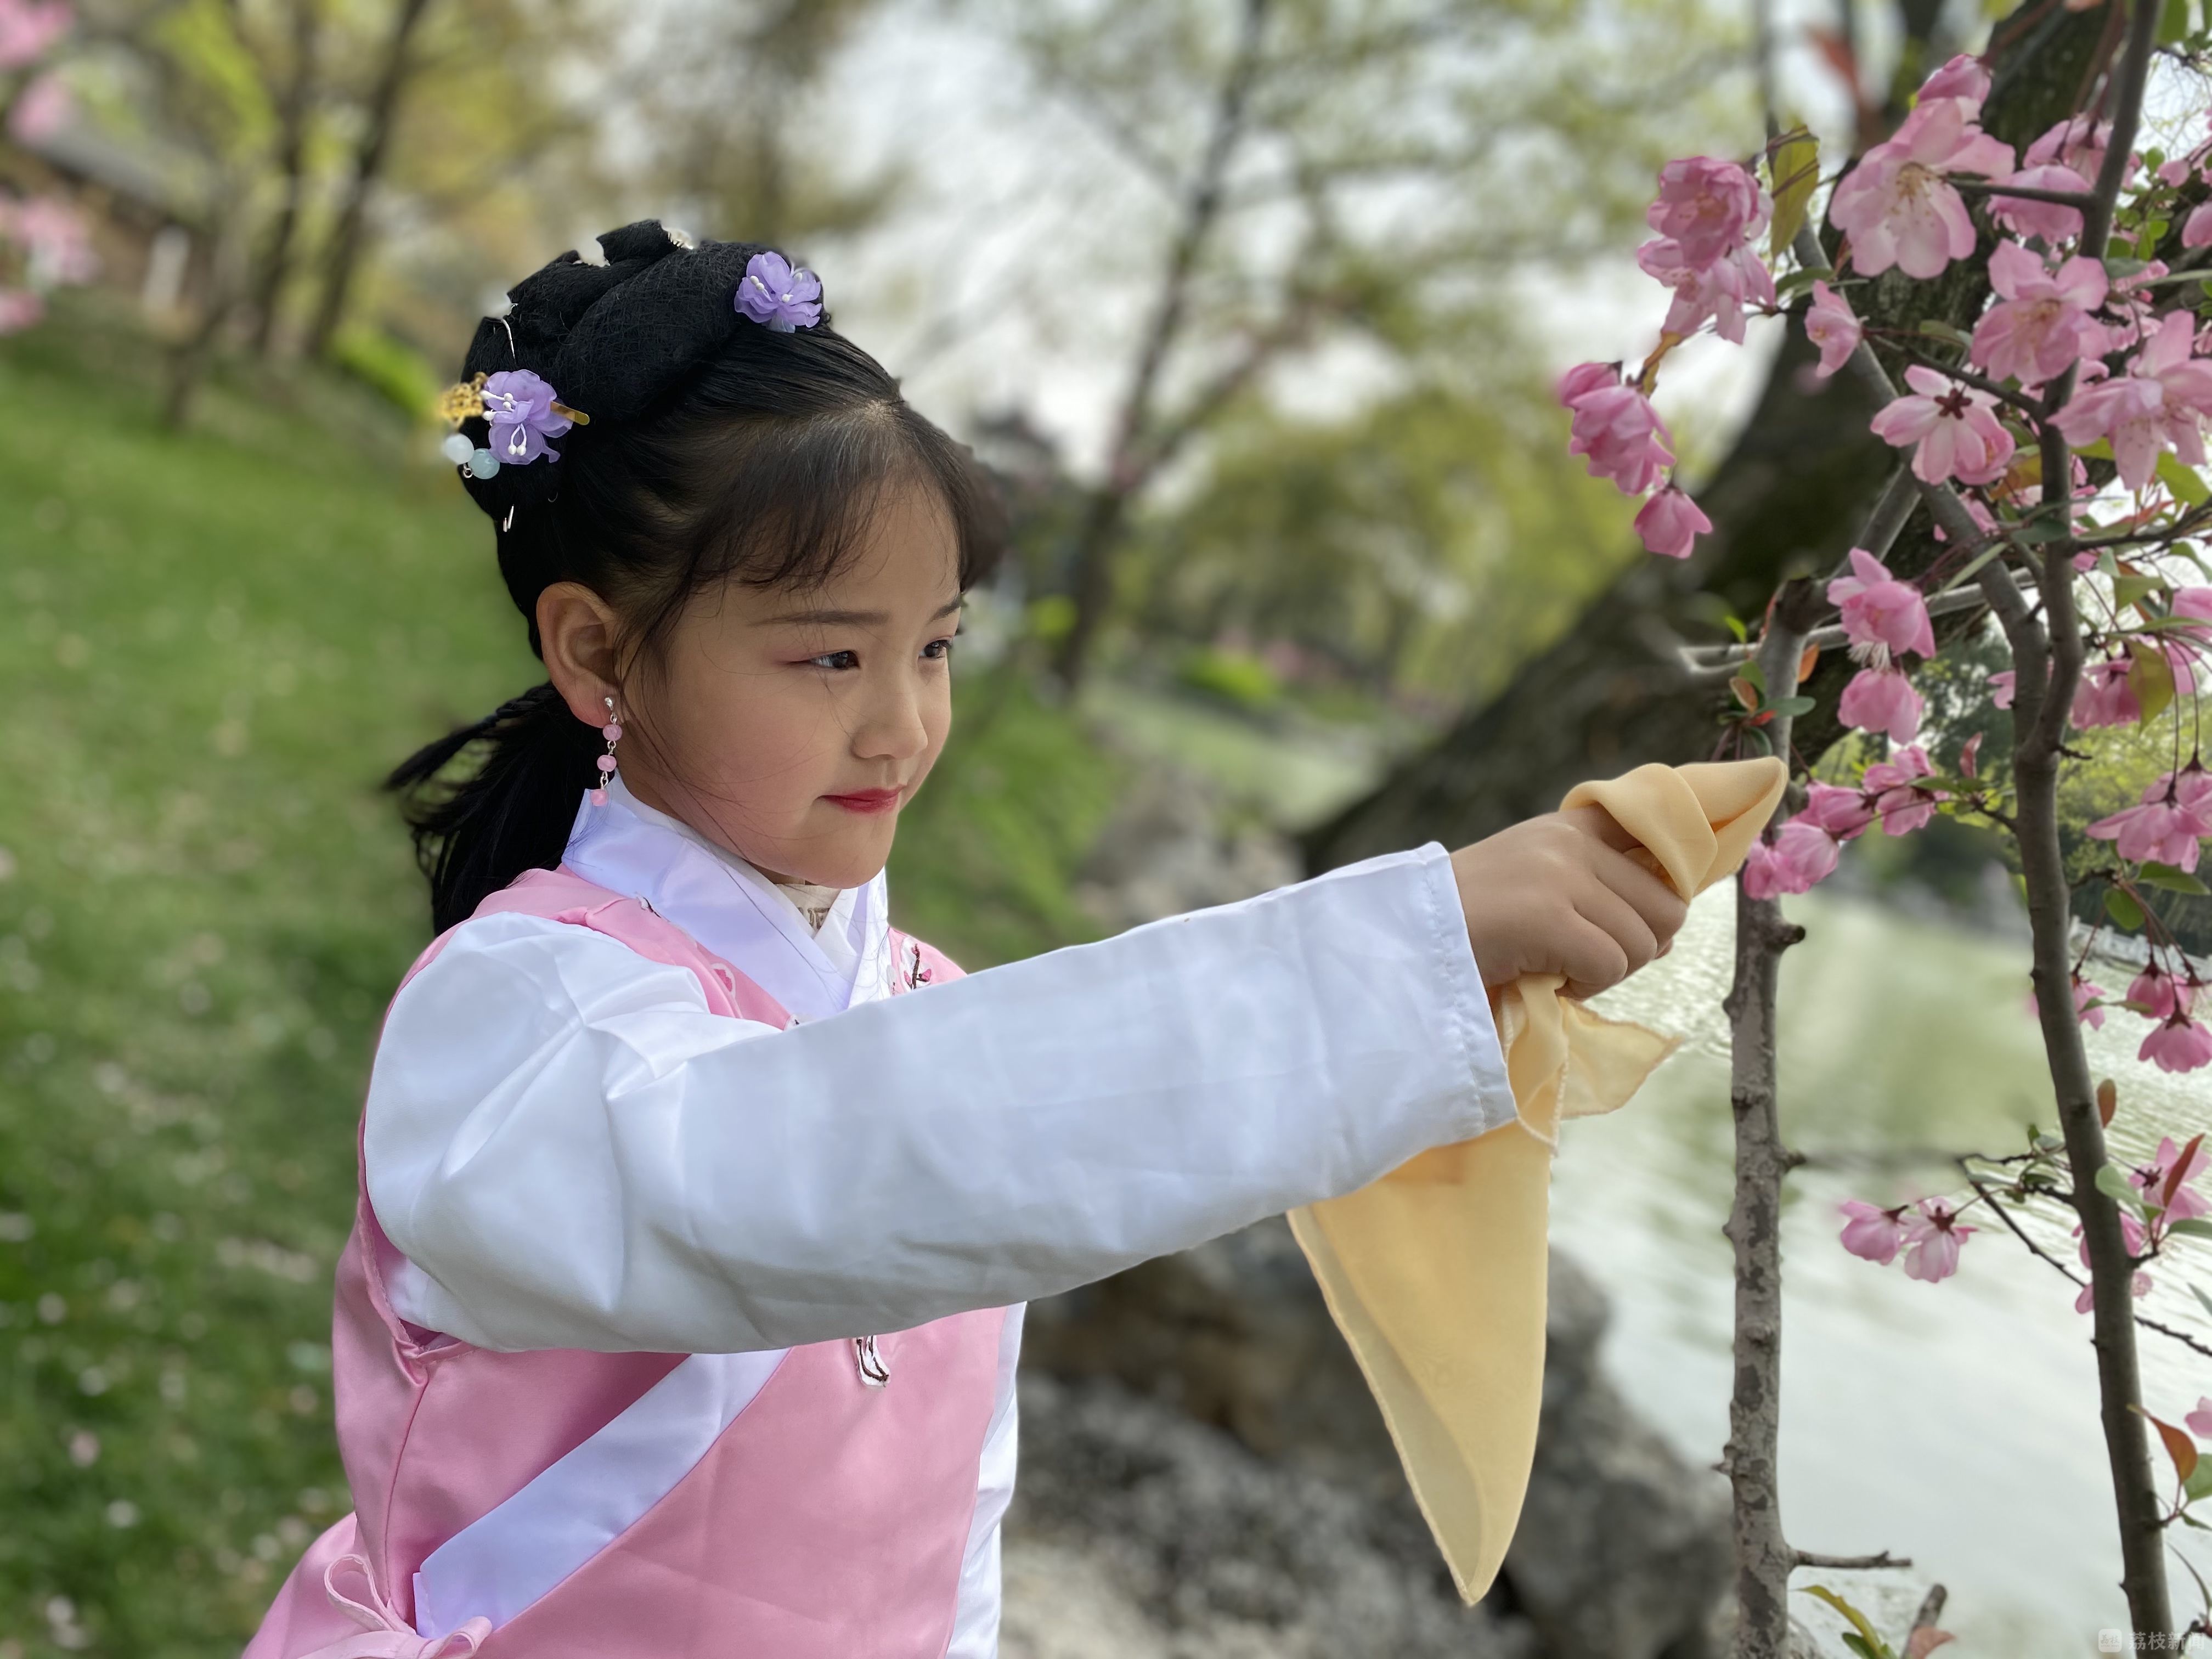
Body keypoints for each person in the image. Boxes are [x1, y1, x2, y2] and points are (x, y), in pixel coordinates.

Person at [241, 220, 1689, 1659]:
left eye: (933, 644)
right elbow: (837, 1162)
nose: (904, 722)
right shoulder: (515, 1024)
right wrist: (1403, 955)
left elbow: (955, 1527)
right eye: (830, 655)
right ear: (599, 651)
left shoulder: (921, 1000)